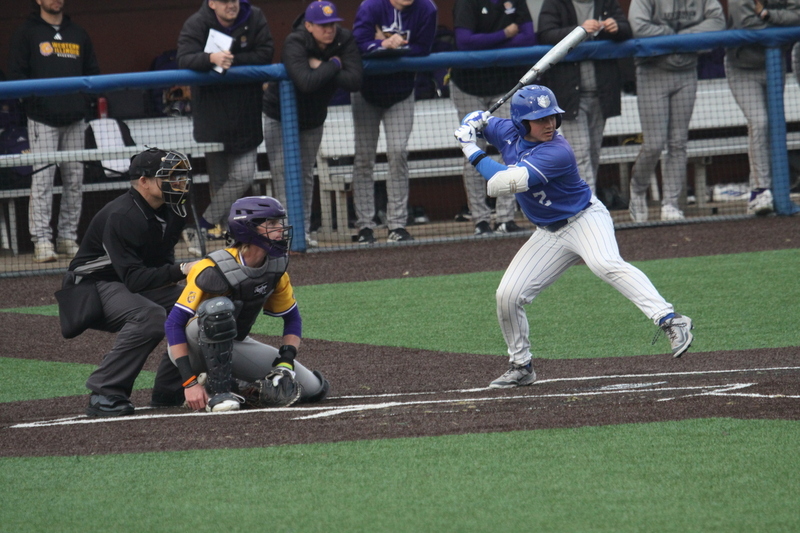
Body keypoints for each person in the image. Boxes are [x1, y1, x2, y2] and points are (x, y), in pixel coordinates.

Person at [453, 85, 694, 388]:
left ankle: (670, 319)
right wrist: (473, 121)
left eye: (552, 117)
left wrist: (469, 147)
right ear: (520, 122)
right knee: (508, 296)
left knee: (604, 263)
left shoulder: (557, 151)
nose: (549, 124)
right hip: (549, 233)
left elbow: (501, 183)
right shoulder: (507, 131)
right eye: (540, 119)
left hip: (584, 220)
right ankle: (521, 365)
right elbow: (480, 119)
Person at [163, 196, 330, 412]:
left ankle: (238, 385)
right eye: (271, 223)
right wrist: (189, 383)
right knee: (218, 310)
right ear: (247, 229)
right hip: (194, 343)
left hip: (233, 342)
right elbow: (174, 323)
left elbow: (292, 318)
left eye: (279, 222)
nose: (280, 229)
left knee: (311, 389)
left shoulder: (275, 267)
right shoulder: (210, 267)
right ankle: (219, 390)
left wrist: (285, 363)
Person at [65, 148, 197, 416]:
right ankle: (105, 391)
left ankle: (169, 388)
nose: (179, 182)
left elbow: (160, 263)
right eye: (170, 176)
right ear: (144, 181)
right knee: (149, 317)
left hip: (126, 281)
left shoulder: (175, 207)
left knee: (195, 305)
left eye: (181, 176)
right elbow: (135, 279)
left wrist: (184, 285)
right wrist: (184, 269)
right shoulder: (122, 215)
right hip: (91, 286)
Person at [176, 0, 274, 256]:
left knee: (244, 176)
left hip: (246, 114)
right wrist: (210, 58)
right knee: (220, 185)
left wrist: (231, 60)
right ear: (212, 3)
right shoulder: (197, 23)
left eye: (234, 0)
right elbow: (184, 58)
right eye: (224, 1)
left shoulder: (254, 17)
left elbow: (266, 53)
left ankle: (202, 224)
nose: (231, 5)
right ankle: (232, 243)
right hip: (213, 117)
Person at [263, 0, 363, 248]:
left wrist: (327, 66)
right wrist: (336, 64)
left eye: (331, 24)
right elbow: (305, 82)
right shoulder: (295, 41)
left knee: (305, 173)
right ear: (308, 25)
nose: (329, 30)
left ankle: (300, 232)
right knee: (282, 171)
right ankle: (282, 234)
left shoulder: (344, 39)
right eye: (322, 25)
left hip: (313, 118)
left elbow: (355, 80)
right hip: (280, 115)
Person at [8, 0, 100, 263]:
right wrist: (35, 102)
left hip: (75, 119)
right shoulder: (26, 32)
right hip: (42, 119)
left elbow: (93, 72)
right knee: (42, 182)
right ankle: (42, 242)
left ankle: (68, 238)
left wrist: (81, 103)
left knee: (74, 180)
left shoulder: (78, 33)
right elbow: (16, 75)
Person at [626, 0, 724, 222]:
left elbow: (718, 21)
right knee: (654, 144)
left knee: (678, 142)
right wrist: (674, 35)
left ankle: (670, 203)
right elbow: (639, 26)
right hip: (652, 71)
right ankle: (638, 190)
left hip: (687, 71)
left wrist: (681, 36)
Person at [350, 0, 438, 244]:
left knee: (398, 153)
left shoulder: (426, 8)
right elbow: (357, 45)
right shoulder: (371, 6)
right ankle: (365, 225)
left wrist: (391, 45)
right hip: (366, 91)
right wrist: (383, 43)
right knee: (364, 158)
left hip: (401, 91)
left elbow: (423, 48)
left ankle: (397, 224)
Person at [449, 0, 536, 235]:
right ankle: (480, 220)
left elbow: (529, 37)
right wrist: (506, 34)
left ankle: (505, 218)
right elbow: (465, 42)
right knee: (473, 149)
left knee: (511, 149)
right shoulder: (467, 4)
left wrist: (488, 42)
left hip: (505, 85)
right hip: (469, 86)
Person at [538, 0, 632, 194]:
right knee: (580, 154)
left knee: (593, 152)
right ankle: (588, 207)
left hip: (602, 92)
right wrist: (578, 31)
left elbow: (627, 29)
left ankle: (586, 201)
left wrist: (616, 27)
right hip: (569, 94)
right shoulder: (555, 3)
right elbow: (545, 34)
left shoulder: (606, 2)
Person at [725, 0, 800, 216]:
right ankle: (760, 191)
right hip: (742, 66)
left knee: (774, 126)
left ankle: (768, 191)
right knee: (759, 122)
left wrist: (767, 15)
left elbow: (798, 14)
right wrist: (781, 26)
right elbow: (747, 22)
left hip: (774, 63)